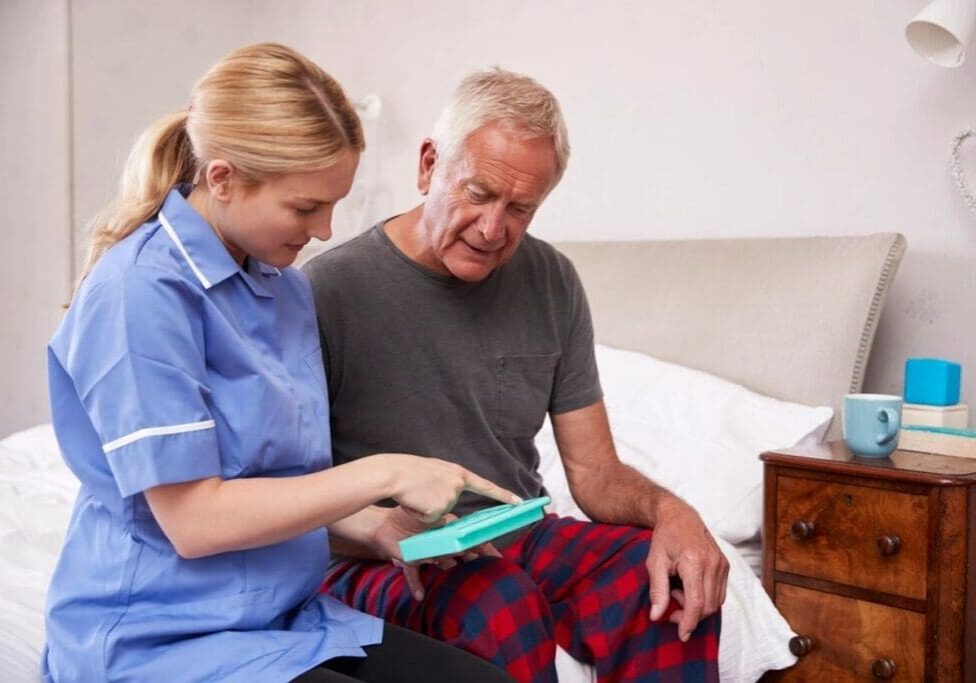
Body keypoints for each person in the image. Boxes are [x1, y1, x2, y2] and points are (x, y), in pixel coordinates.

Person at [43, 43, 520, 683]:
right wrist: (389, 472)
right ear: (222, 179)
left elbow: (269, 479)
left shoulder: (283, 287)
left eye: (333, 205)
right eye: (304, 208)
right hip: (157, 640)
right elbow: (194, 522)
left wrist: (378, 526)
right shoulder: (140, 293)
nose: (324, 231)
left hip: (280, 621)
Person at [303, 68, 730, 683]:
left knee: (664, 576)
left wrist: (672, 512)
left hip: (514, 533)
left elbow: (595, 473)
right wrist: (382, 532)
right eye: (478, 193)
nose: (493, 228)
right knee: (498, 600)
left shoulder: (553, 282)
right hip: (379, 552)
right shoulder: (326, 291)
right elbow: (292, 488)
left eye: (520, 208)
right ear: (428, 166)